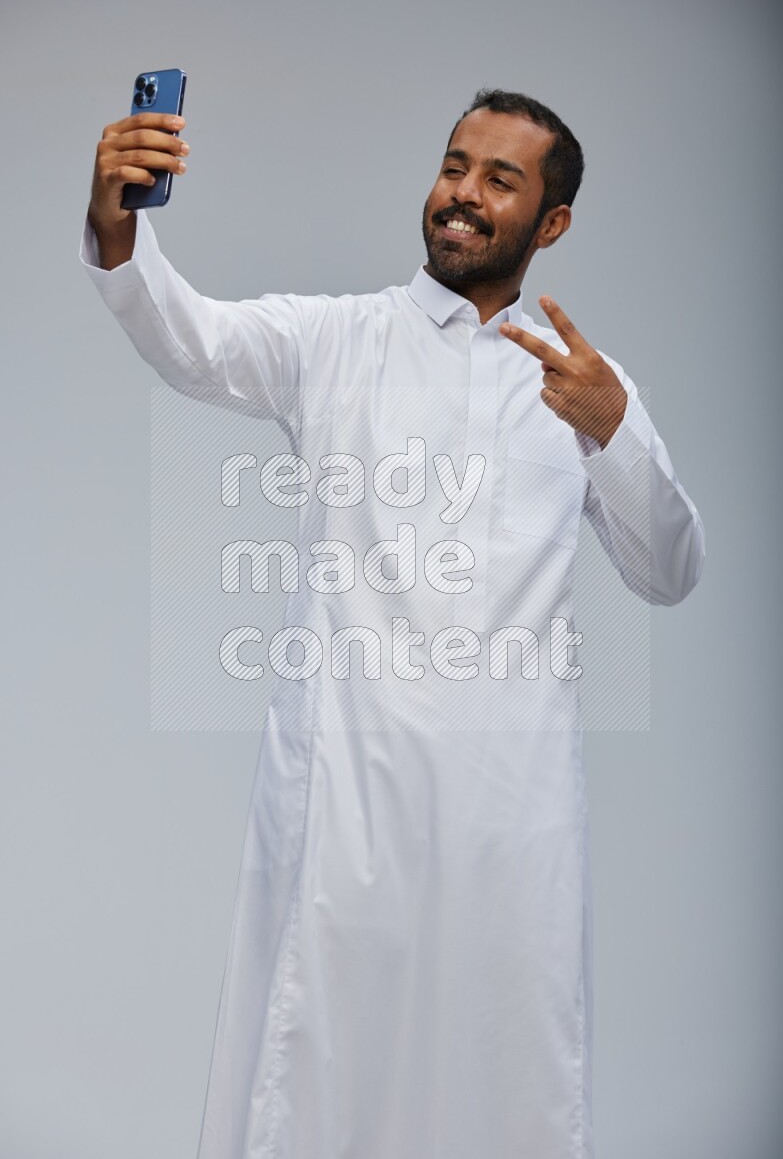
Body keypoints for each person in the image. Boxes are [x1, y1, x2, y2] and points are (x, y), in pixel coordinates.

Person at [80, 88, 705, 1159]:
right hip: (346, 795)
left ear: (550, 224)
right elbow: (192, 340)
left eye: (498, 180)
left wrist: (614, 437)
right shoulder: (337, 339)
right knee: (317, 1058)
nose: (460, 194)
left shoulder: (579, 390)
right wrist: (116, 225)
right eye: (454, 164)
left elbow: (668, 570)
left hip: (511, 814)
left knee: (506, 1062)